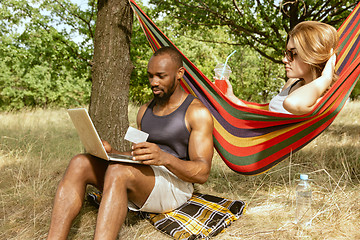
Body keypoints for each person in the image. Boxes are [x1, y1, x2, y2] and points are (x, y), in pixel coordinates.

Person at [46, 46, 214, 240]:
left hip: (176, 185)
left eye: (161, 76)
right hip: (146, 177)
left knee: (118, 171)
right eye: (150, 76)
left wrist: (165, 158)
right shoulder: (144, 111)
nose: (154, 82)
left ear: (179, 74)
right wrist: (110, 152)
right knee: (80, 162)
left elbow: (202, 172)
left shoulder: (196, 112)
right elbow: (137, 154)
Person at [224, 21, 339, 115]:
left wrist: (326, 78)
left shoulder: (324, 98)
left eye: (293, 53)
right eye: (286, 53)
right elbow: (265, 118)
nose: (284, 60)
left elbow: (292, 103)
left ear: (312, 56)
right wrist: (232, 97)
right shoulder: (292, 82)